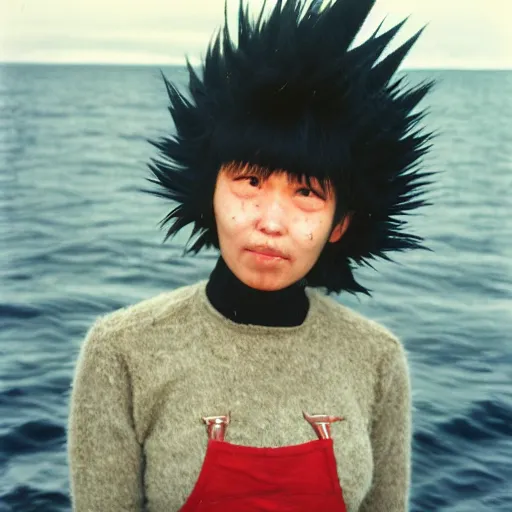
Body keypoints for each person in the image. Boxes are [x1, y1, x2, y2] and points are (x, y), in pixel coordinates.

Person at [67, 0, 435, 510]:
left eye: (307, 192)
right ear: (210, 193)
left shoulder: (377, 359)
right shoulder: (121, 352)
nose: (271, 221)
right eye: (250, 181)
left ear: (340, 223)